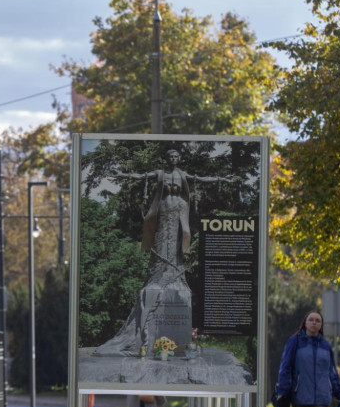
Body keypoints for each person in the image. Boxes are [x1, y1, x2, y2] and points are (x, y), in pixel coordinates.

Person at [94, 148, 237, 356]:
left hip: (179, 208)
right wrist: (122, 175)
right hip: (163, 208)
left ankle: (175, 274)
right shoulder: (160, 174)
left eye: (176, 156)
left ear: (179, 158)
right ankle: (159, 275)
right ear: (166, 158)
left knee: (179, 238)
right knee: (161, 240)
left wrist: (222, 178)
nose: (173, 158)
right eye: (170, 156)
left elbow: (203, 179)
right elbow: (141, 176)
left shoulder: (182, 175)